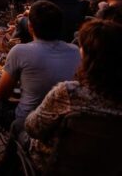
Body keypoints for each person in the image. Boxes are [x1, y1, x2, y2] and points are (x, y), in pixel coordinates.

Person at [0, 1, 81, 163]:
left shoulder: (21, 51)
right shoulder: (75, 52)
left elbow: (2, 94)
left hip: (25, 121)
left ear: (30, 27)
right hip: (62, 123)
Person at [25, 19, 122, 172]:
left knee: (18, 129)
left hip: (54, 165)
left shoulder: (69, 92)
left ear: (87, 55)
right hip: (108, 169)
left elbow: (33, 128)